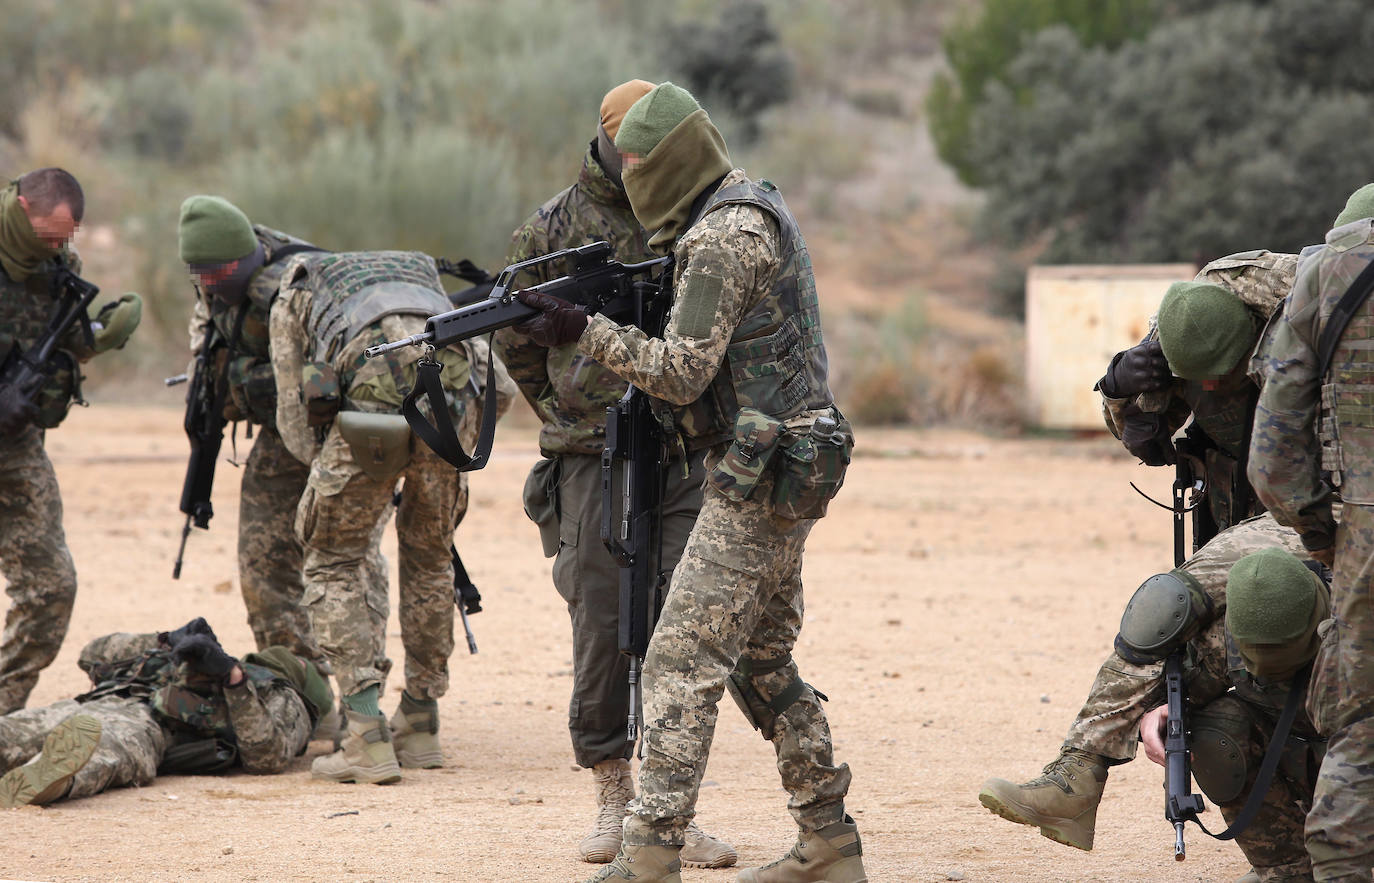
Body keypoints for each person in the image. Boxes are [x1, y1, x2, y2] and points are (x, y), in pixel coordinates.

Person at [516, 82, 865, 883]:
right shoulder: (752, 205)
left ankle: (648, 855)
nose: (629, 173)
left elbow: (679, 373)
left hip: (761, 475)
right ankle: (829, 842)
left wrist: (582, 331)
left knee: (676, 658)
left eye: (639, 160)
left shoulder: (721, 237)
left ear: (672, 158)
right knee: (761, 661)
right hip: (785, 463)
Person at [493, 80, 734, 869]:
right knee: (600, 618)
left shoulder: (698, 213)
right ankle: (611, 789)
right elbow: (517, 340)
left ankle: (671, 808)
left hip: (683, 447)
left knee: (683, 624)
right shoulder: (553, 230)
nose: (638, 163)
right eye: (625, 148)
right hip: (589, 454)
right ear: (602, 143)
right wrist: (568, 411)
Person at [268, 248, 513, 785]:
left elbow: (291, 411)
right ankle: (421, 724)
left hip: (369, 413)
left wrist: (337, 480)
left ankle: (363, 733)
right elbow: (502, 390)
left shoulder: (298, 287)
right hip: (454, 402)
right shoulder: (422, 275)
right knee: (430, 558)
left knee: (333, 559)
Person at [980, 519, 1328, 882]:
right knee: (1170, 609)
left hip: (1352, 506)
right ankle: (1081, 768)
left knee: (1284, 612)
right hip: (1301, 503)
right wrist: (1164, 706)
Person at [178, 195, 390, 673]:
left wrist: (253, 381)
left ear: (244, 258)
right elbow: (207, 337)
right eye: (200, 274)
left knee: (350, 562)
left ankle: (365, 696)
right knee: (262, 558)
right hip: (281, 434)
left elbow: (340, 371)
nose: (209, 284)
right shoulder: (213, 278)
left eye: (218, 273)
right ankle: (299, 688)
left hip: (345, 434)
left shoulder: (301, 285)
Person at [1248, 183, 1374, 883]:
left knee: (1360, 735)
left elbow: (1272, 459)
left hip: (1366, 550)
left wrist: (1328, 533)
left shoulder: (1331, 266)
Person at [0, 167, 142, 714]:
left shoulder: (58, 267)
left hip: (15, 448)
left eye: (66, 238)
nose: (57, 247)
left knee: (51, 586)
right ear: (21, 209)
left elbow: (58, 340)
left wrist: (102, 338)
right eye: (48, 236)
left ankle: (5, 711)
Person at [0, 617, 329, 808]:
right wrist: (166, 639)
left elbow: (267, 757)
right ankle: (40, 772)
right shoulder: (206, 654)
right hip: (96, 702)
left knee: (101, 749)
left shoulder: (281, 695)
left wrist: (233, 681)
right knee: (13, 731)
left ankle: (46, 781)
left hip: (152, 728)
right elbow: (91, 655)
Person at [1095, 250, 1297, 535]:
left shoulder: (1294, 338)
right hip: (1233, 511)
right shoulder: (1178, 339)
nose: (1211, 386)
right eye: (1198, 378)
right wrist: (1117, 386)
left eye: (1221, 372)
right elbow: (1141, 438)